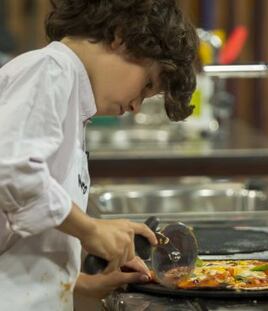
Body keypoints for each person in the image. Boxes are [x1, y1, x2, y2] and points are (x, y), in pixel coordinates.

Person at [0, 0, 198, 309]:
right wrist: (90, 229)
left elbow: (14, 237)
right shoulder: (50, 69)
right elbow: (10, 168)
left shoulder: (71, 97)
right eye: (146, 85)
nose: (135, 107)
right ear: (121, 36)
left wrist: (75, 284)